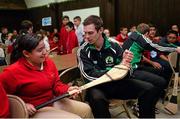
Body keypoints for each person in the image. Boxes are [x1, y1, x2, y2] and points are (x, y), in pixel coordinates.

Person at [77, 15, 165, 118]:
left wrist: (126, 65)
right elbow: (88, 76)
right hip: (98, 86)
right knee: (96, 98)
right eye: (85, 33)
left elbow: (129, 70)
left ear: (100, 30)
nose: (86, 37)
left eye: (90, 33)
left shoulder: (114, 45)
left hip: (117, 83)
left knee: (149, 89)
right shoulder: (82, 51)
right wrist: (115, 71)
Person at [0, 34, 93, 118]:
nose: (45, 52)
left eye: (44, 47)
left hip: (51, 101)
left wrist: (67, 89)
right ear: (26, 53)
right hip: (35, 109)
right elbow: (4, 97)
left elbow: (56, 85)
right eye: (40, 50)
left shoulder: (48, 63)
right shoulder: (12, 72)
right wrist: (22, 105)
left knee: (86, 109)